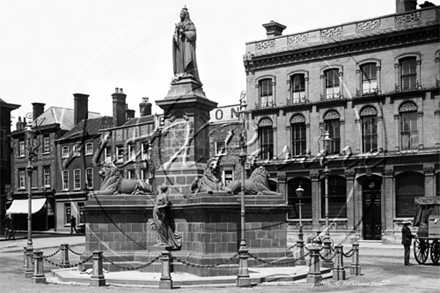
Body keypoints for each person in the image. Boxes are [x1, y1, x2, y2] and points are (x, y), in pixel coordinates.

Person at [172, 6, 201, 84]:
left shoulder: (190, 24)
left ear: (185, 15)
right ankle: (180, 72)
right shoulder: (178, 24)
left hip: (186, 44)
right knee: (179, 59)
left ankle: (188, 72)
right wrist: (176, 34)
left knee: (187, 58)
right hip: (180, 44)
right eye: (180, 14)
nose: (180, 15)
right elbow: (175, 35)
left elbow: (193, 35)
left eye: (182, 14)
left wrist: (184, 33)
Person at [152, 184, 181, 249]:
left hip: (161, 213)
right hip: (156, 212)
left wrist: (159, 207)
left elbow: (166, 204)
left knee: (161, 226)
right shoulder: (158, 195)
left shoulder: (165, 196)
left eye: (161, 187)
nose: (159, 188)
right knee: (157, 227)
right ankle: (160, 241)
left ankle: (164, 241)